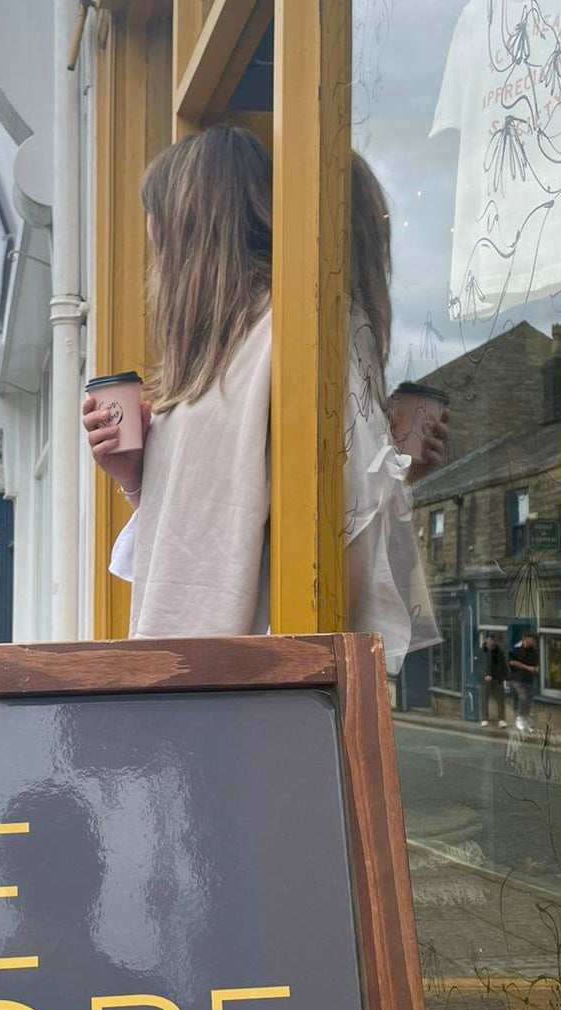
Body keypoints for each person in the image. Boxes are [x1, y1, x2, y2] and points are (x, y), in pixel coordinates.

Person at [84, 127, 444, 668]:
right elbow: (215, 525)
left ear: (187, 230)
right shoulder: (214, 364)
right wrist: (135, 473)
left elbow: (334, 547)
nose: (151, 242)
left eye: (155, 223)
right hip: (205, 689)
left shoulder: (296, 334)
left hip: (243, 695)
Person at [508, 632, 540, 733]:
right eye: (531, 640)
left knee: (529, 699)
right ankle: (520, 718)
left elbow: (535, 665)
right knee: (523, 697)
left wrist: (535, 669)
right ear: (525, 639)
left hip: (528, 679)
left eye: (534, 641)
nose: (533, 642)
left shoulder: (534, 652)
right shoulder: (515, 649)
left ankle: (526, 718)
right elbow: (512, 662)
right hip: (516, 678)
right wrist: (528, 667)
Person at [479, 633, 508, 728]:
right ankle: (484, 719)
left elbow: (503, 665)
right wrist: (484, 676)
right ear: (486, 640)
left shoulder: (499, 652)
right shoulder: (481, 651)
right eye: (490, 640)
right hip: (485, 679)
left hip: (497, 679)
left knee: (500, 698)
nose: (492, 642)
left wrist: (505, 677)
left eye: (493, 640)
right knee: (484, 698)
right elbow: (477, 666)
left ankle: (502, 719)